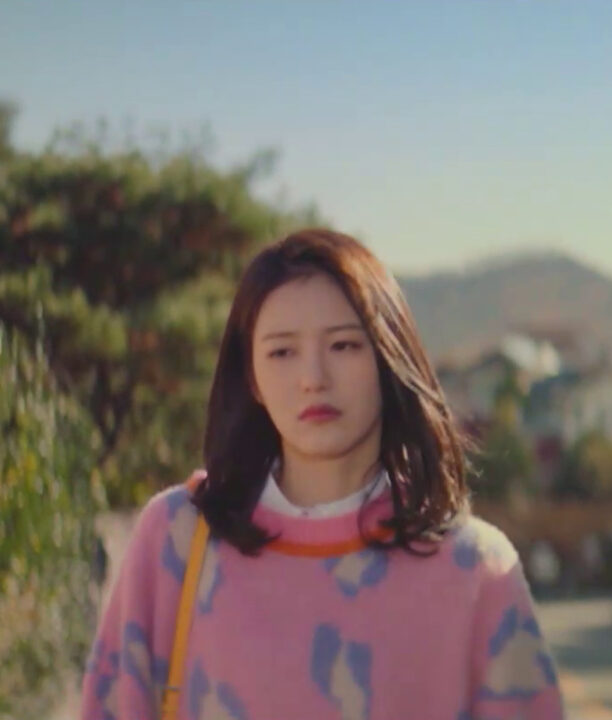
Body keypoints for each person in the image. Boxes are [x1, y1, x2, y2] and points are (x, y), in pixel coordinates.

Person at [82, 229, 563, 720]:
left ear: (388, 356)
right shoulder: (177, 540)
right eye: (282, 352)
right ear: (251, 377)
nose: (313, 378)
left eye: (343, 345)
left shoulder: (477, 570)